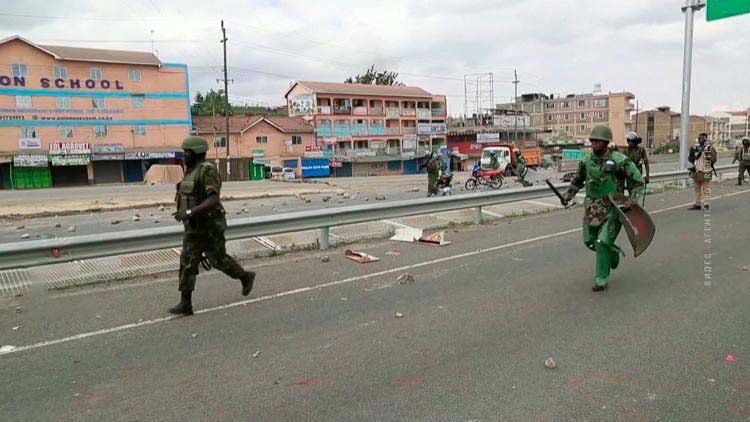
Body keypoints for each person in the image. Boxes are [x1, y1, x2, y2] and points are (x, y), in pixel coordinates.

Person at [170, 136, 256, 315]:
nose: (184, 156)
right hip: (194, 226)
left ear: (195, 153)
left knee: (218, 259)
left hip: (210, 225)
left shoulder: (207, 171)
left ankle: (245, 276)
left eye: (186, 153)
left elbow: (213, 198)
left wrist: (190, 212)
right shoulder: (190, 171)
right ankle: (186, 303)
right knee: (187, 261)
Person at [561, 126, 644, 292]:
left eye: (597, 141)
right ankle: (613, 253)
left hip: (613, 208)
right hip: (591, 209)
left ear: (606, 142)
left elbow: (638, 183)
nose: (593, 144)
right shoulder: (586, 162)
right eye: (592, 141)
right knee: (589, 241)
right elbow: (577, 181)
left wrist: (631, 201)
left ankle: (601, 279)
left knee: (602, 241)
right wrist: (568, 196)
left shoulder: (620, 160)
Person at [687, 133, 717, 210]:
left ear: (706, 139)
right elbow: (691, 160)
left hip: (706, 171)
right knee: (697, 189)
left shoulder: (710, 148)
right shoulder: (697, 148)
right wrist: (691, 152)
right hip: (697, 171)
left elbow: (714, 160)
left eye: (702, 138)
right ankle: (697, 204)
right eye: (699, 138)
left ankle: (706, 204)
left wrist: (707, 154)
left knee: (706, 188)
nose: (700, 140)